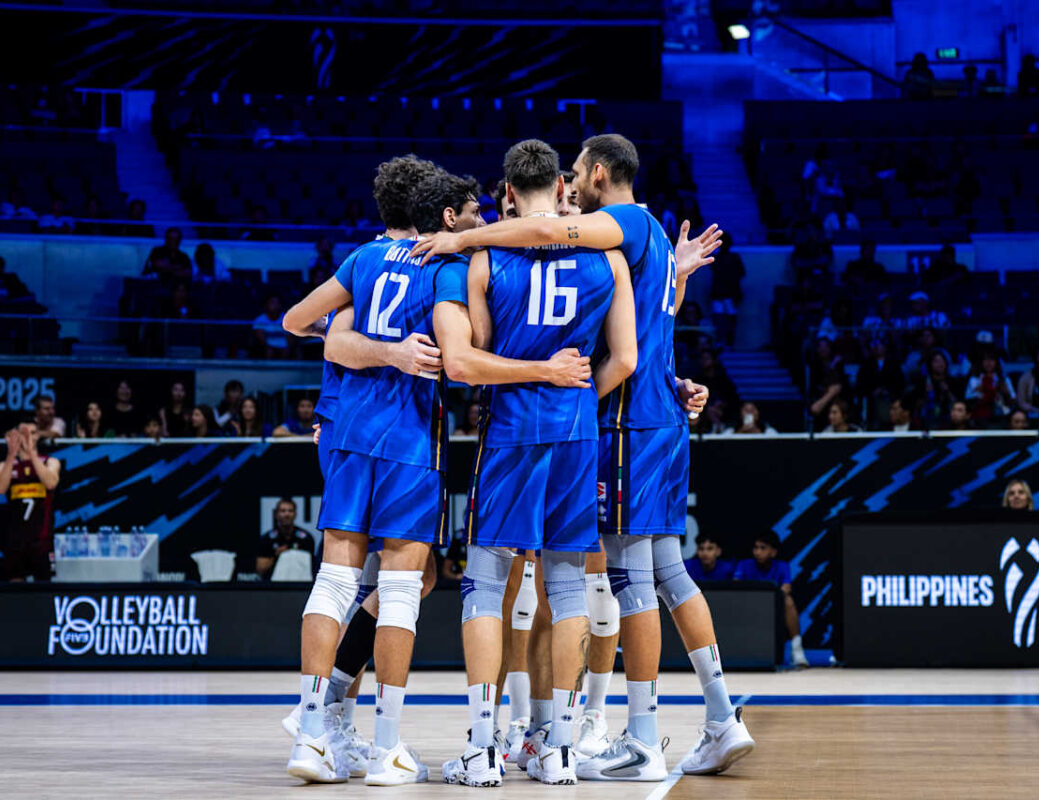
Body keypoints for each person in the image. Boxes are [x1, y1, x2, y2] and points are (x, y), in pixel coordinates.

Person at [412, 132, 748, 781]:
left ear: (588, 177)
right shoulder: (624, 252)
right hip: (608, 423)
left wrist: (466, 239)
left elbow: (475, 350)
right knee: (599, 581)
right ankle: (574, 734)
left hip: (576, 424)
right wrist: (673, 289)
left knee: (527, 584)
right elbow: (636, 343)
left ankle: (520, 741)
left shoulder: (595, 232)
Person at [432, 139, 637, 787]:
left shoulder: (487, 256)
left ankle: (485, 748)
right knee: (571, 585)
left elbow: (479, 356)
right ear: (562, 185)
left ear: (510, 194)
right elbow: (624, 358)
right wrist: (572, 397)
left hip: (511, 432)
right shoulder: (609, 257)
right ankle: (560, 748)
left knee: (488, 586)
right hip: (577, 434)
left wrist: (532, 374)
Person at [278, 163, 485, 786]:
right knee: (401, 588)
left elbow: (301, 323)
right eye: (473, 212)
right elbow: (460, 359)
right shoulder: (445, 267)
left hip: (346, 433)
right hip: (407, 438)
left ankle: (314, 729)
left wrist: (362, 338)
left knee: (339, 580)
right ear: (441, 215)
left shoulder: (363, 263)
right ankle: (386, 744)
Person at [0, 419, 60, 581]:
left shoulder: (50, 461)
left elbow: (51, 482)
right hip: (16, 540)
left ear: (37, 436)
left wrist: (32, 455)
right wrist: (11, 454)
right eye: (23, 435)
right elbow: (0, 488)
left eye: (31, 433)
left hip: (42, 540)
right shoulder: (5, 465)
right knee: (15, 590)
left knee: (43, 590)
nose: (28, 438)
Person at [734, 532, 806, 666]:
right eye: (756, 548)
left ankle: (797, 651)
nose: (757, 552)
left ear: (773, 552)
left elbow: (786, 588)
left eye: (763, 548)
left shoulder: (783, 566)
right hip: (746, 608)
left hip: (773, 609)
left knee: (788, 601)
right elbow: (735, 588)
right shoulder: (744, 565)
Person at [256, 498, 318, 579]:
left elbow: (312, 568)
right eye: (283, 511)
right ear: (276, 514)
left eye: (290, 511)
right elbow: (260, 569)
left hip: (301, 584)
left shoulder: (306, 538)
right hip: (273, 586)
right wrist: (276, 556)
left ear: (295, 514)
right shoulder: (267, 539)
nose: (287, 514)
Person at [709, 233, 744, 347]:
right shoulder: (716, 258)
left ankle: (728, 342)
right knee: (719, 318)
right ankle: (720, 342)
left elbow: (741, 273)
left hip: (730, 294)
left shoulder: (733, 258)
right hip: (719, 293)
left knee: (730, 318)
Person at [965, 349, 1016, 422]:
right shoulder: (974, 379)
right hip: (979, 416)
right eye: (985, 360)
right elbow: (968, 399)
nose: (988, 363)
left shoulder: (1004, 379)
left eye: (991, 360)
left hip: (1001, 415)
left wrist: (1005, 393)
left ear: (996, 362)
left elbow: (1013, 400)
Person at [252, 295, 291, 359]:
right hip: (267, 346)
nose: (275, 305)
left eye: (277, 303)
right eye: (272, 303)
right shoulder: (260, 319)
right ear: (266, 305)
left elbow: (290, 336)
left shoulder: (286, 318)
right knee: (269, 352)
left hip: (283, 346)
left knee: (287, 351)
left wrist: (288, 347)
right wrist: (268, 347)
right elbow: (260, 337)